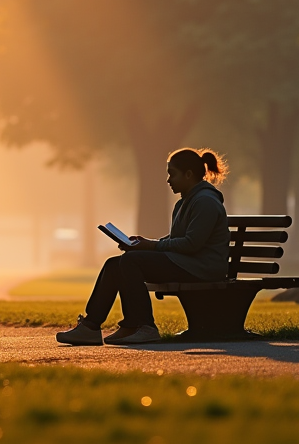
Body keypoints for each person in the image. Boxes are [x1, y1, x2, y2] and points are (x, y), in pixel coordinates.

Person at [56, 148, 229, 346]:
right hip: (188, 263)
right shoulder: (186, 202)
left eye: (172, 173)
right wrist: (144, 244)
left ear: (188, 174)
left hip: (202, 267)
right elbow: (177, 239)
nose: (168, 180)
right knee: (114, 265)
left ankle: (145, 326)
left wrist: (152, 246)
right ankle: (92, 326)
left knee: (131, 261)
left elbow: (191, 244)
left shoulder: (205, 201)